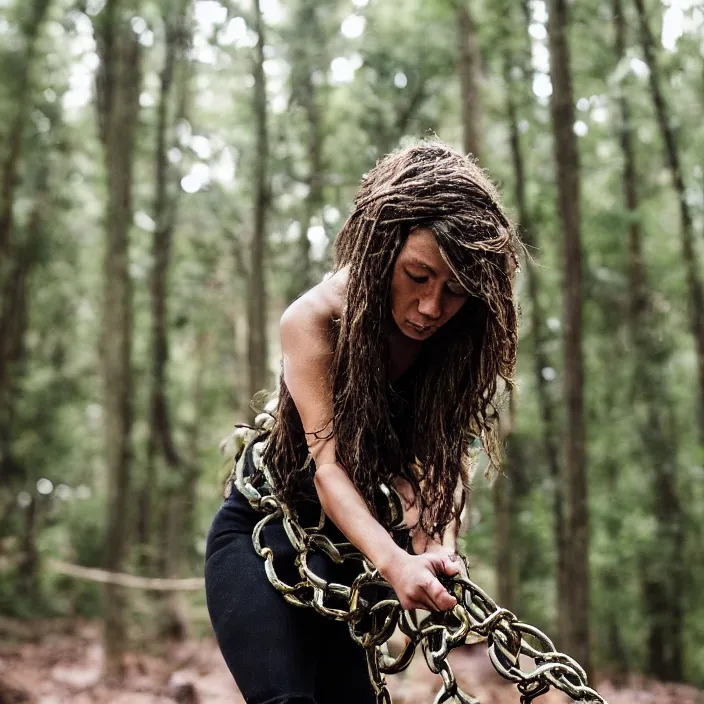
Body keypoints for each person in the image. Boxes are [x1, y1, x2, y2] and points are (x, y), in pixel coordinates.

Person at [204, 141, 519, 704]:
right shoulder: (316, 319)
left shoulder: (456, 349)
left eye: (453, 291)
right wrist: (396, 564)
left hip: (350, 565)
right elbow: (329, 472)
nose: (429, 307)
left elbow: (438, 476)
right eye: (417, 276)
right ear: (383, 250)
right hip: (265, 535)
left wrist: (433, 552)